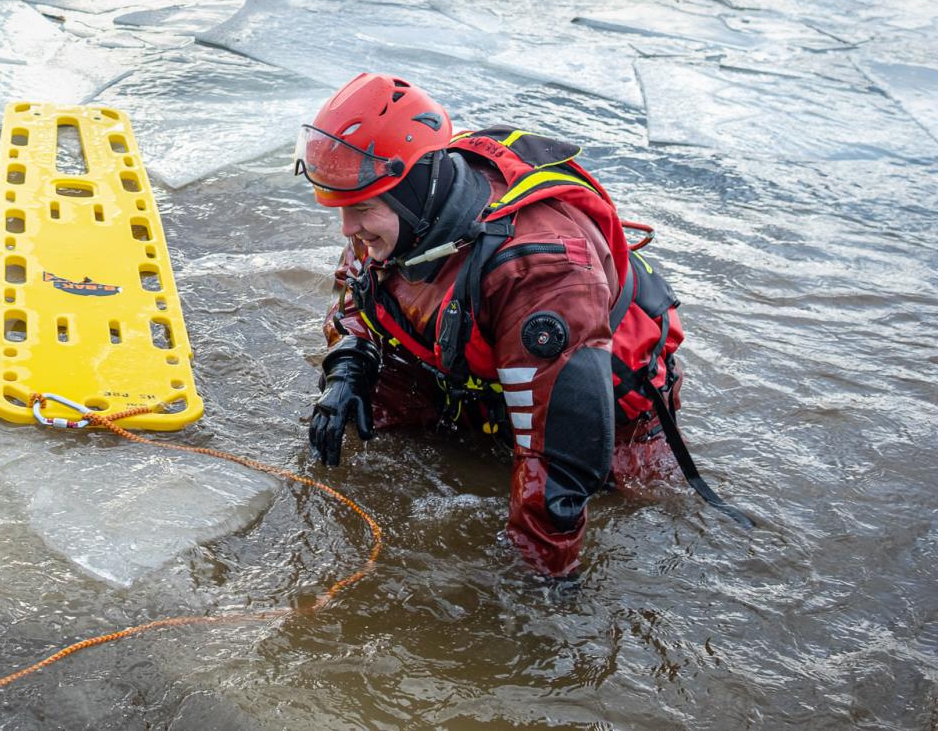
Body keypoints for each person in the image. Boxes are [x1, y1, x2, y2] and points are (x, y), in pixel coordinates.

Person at [293, 72, 744, 578]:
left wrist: (534, 591)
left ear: (414, 192)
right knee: (366, 418)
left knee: (581, 510)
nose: (348, 229)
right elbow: (358, 289)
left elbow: (558, 461)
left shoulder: (541, 271)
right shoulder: (398, 217)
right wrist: (348, 366)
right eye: (340, 211)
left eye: (361, 210)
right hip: (472, 371)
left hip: (598, 410)